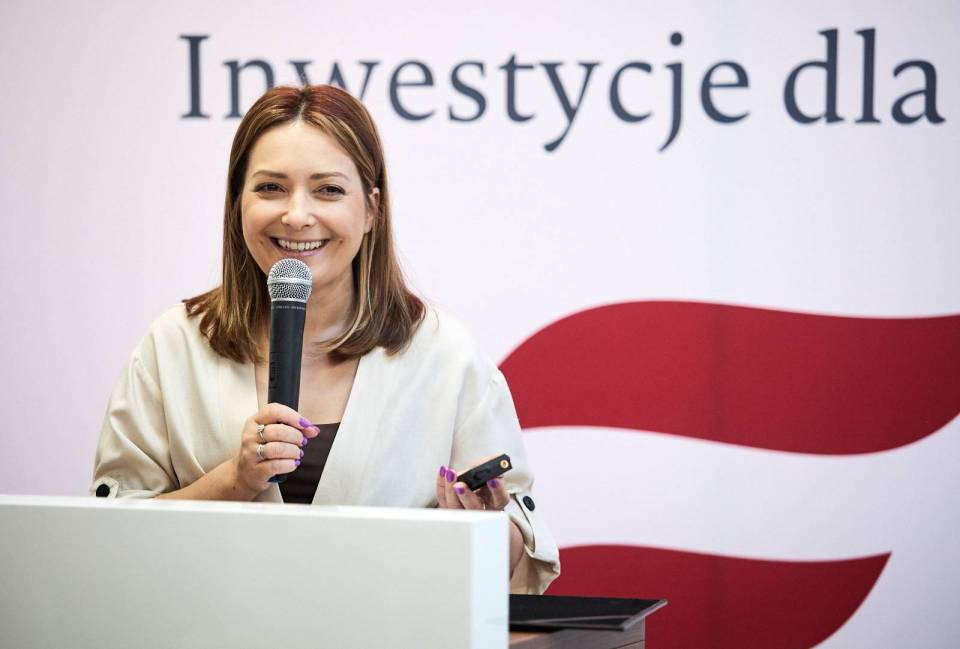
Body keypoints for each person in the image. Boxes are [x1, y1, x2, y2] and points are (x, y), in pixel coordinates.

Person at [90, 84, 560, 594]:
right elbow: (108, 540)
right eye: (271, 188)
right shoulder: (173, 345)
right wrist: (235, 480)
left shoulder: (445, 355)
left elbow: (521, 556)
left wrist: (485, 530)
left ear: (371, 209)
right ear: (237, 202)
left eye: (329, 190)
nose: (296, 215)